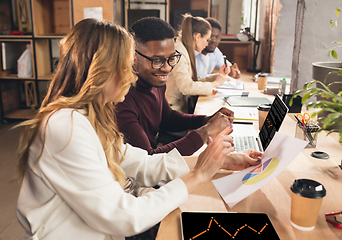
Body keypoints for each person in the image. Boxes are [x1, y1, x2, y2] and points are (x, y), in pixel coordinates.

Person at [15, 18, 262, 240]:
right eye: (126, 67)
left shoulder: (90, 117)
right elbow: (122, 215)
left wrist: (218, 162)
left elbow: (142, 163)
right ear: (101, 71)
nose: (131, 76)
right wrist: (197, 175)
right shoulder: (65, 127)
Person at [117, 17, 233, 156]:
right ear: (133, 57)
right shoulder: (122, 97)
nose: (167, 68)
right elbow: (149, 159)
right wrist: (205, 131)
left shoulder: (154, 82)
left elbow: (168, 118)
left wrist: (206, 120)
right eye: (157, 60)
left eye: (171, 58)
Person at [165, 14, 230, 113]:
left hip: (180, 107)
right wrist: (216, 83)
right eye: (207, 39)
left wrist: (217, 77)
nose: (207, 44)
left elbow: (192, 81)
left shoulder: (184, 49)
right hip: (172, 111)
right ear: (197, 37)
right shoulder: (180, 53)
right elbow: (186, 87)